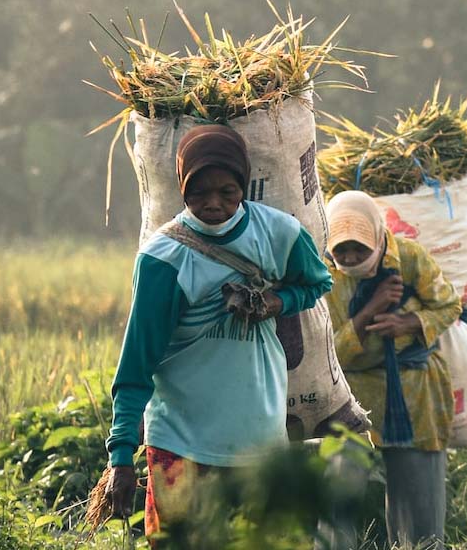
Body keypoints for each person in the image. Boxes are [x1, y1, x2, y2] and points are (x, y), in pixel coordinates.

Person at [103, 124, 332, 542]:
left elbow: (317, 282)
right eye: (199, 192)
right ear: (181, 188)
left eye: (227, 192)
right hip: (180, 444)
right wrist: (120, 455)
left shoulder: (279, 234)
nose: (213, 204)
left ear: (243, 186)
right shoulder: (164, 258)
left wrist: (275, 303)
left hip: (259, 445)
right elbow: (136, 362)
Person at [321, 190, 461, 550]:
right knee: (337, 494)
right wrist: (370, 312)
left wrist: (410, 322)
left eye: (360, 249)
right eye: (341, 250)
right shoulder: (324, 277)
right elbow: (333, 353)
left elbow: (448, 306)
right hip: (351, 398)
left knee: (418, 500)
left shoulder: (410, 259)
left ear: (379, 238)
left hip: (413, 394)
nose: (350, 258)